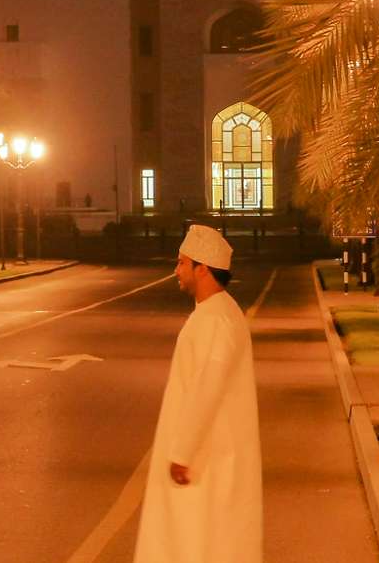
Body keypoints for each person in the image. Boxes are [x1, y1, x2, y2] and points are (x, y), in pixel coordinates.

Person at [134, 225, 262, 563]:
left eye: (181, 263)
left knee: (198, 543)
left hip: (209, 459)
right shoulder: (216, 313)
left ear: (202, 268)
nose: (176, 271)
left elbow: (208, 387)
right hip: (209, 453)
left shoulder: (216, 320)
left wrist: (182, 452)